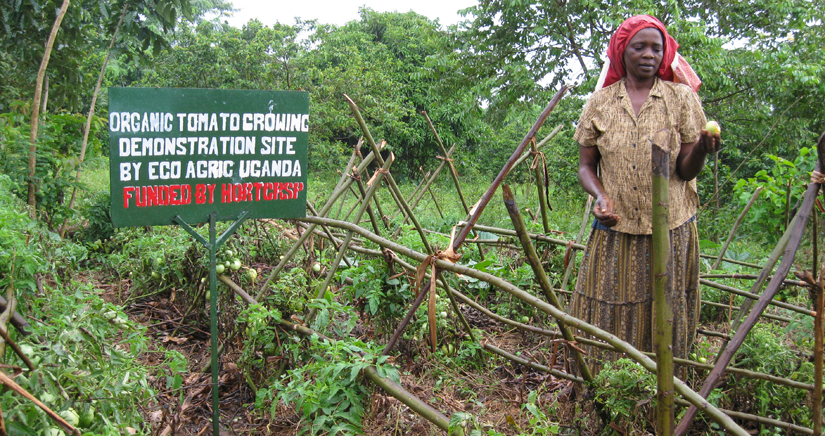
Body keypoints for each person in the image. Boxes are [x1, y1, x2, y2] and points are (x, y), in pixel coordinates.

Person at [568, 15, 721, 372]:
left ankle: (668, 381)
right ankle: (607, 380)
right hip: (617, 227)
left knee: (667, 308)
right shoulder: (599, 103)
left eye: (657, 47)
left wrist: (701, 147)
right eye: (640, 46)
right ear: (622, 52)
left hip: (670, 228)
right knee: (608, 305)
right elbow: (585, 166)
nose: (649, 54)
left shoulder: (680, 99)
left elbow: (684, 170)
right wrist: (600, 198)